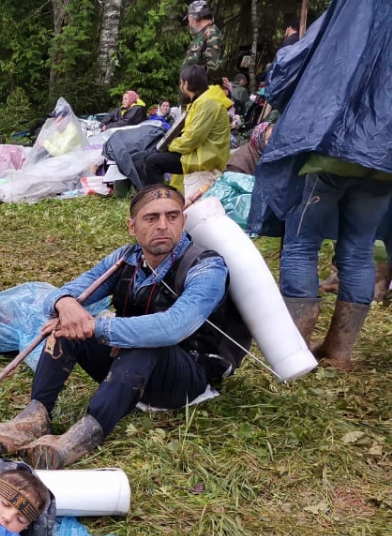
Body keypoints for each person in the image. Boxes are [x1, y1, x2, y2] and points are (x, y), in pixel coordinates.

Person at [0, 185, 247, 469]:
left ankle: (82, 437)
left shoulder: (206, 268)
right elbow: (69, 291)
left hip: (188, 374)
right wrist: (64, 304)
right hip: (130, 365)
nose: (163, 226)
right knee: (65, 327)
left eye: (172, 216)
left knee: (146, 344)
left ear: (183, 221)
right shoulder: (126, 258)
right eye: (151, 218)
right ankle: (33, 419)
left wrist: (98, 326)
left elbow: (173, 328)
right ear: (132, 227)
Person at [250, 0, 392, 370]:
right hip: (385, 158)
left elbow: (292, 65)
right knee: (359, 249)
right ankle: (340, 353)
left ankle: (295, 349)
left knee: (301, 243)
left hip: (333, 145)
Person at [137, 64, 229, 195]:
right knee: (149, 156)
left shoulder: (208, 104)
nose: (181, 87)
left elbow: (192, 139)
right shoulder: (201, 102)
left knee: (152, 162)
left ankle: (160, 200)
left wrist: (169, 145)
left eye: (181, 83)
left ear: (186, 84)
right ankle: (154, 197)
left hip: (204, 158)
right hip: (196, 152)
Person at [184, 0, 225, 85]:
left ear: (195, 18)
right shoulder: (203, 35)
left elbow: (214, 69)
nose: (189, 24)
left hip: (203, 91)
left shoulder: (212, 34)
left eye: (189, 19)